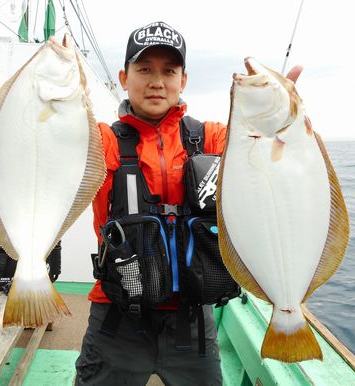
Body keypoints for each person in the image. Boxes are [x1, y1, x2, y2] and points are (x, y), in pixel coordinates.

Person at [75, 21, 302, 386]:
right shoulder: (102, 142)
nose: (157, 81)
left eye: (169, 70)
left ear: (183, 80)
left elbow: (269, 152)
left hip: (193, 322)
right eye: (144, 69)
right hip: (116, 319)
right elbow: (57, 140)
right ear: (123, 76)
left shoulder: (212, 137)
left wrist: (281, 114)